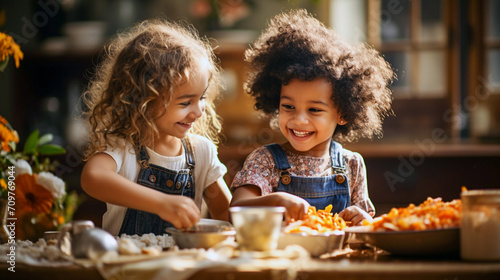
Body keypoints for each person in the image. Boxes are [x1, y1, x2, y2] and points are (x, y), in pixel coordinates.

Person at [230, 9, 394, 226]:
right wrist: (276, 200)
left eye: (314, 110)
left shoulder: (351, 165)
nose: (299, 120)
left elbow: (363, 230)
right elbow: (236, 210)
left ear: (344, 113)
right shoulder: (265, 160)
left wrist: (364, 220)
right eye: (288, 106)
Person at [81, 19, 231, 236]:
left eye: (202, 97)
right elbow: (92, 177)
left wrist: (268, 204)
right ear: (143, 101)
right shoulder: (124, 149)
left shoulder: (201, 153)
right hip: (127, 266)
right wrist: (161, 203)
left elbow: (226, 214)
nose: (198, 112)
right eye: (185, 102)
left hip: (184, 265)